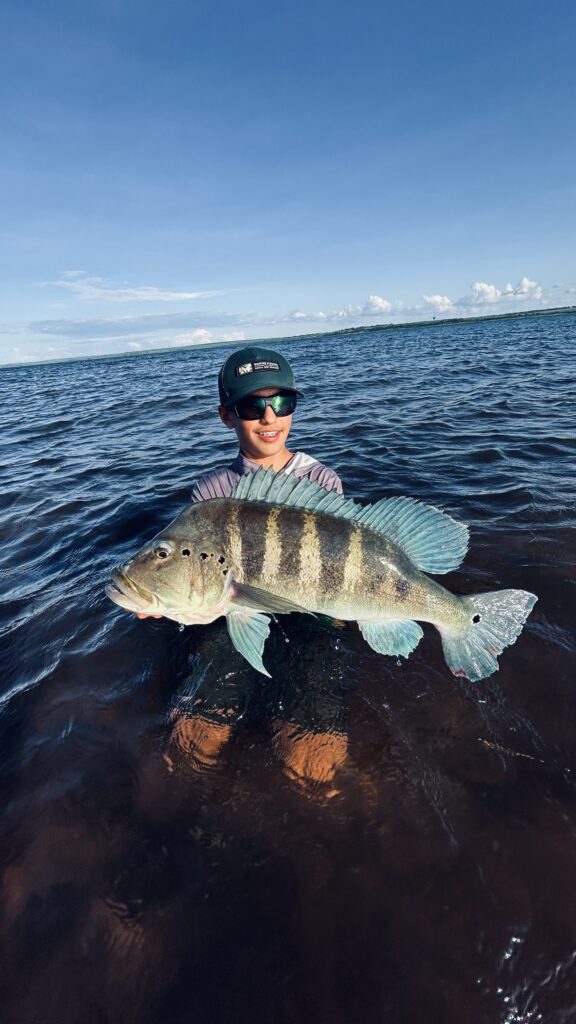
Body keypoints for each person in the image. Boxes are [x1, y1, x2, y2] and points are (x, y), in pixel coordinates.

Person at [190, 345, 343, 502]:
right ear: (226, 417)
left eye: (282, 403)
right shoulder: (211, 492)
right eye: (252, 407)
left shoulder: (321, 480)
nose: (269, 418)